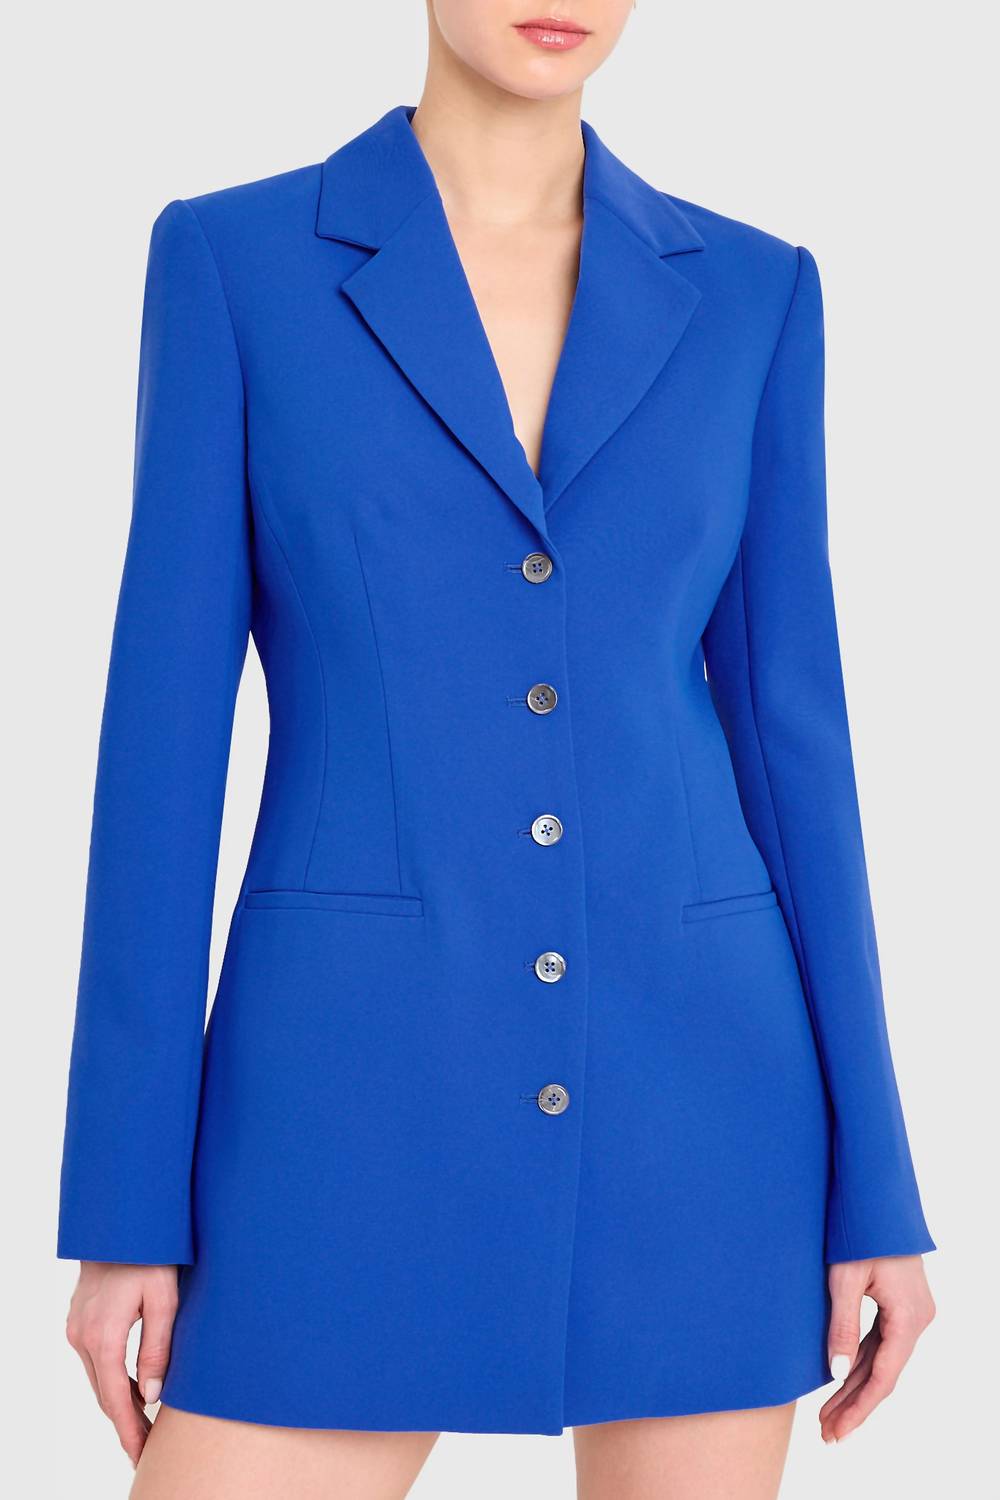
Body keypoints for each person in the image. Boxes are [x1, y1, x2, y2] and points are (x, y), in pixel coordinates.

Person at [58, 4, 937, 1497]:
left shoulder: (755, 291)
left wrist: (877, 1188)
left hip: (702, 1107)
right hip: (343, 1103)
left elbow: (799, 751)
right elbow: (159, 761)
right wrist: (125, 1207)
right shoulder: (236, 265)